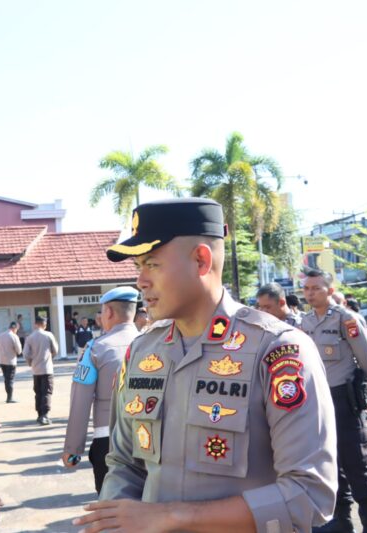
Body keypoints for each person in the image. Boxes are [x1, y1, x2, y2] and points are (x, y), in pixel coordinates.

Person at [76, 198, 337, 533]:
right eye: (137, 267)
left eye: (152, 264)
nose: (140, 280)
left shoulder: (277, 350)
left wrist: (171, 517)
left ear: (201, 260)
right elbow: (125, 463)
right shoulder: (142, 351)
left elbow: (309, 494)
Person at [300, 269, 367, 533]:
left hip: (344, 400)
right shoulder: (305, 322)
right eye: (307, 289)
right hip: (318, 402)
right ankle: (342, 519)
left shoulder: (346, 320)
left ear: (330, 291)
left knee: (356, 463)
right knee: (330, 463)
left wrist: (362, 392)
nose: (310, 294)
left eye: (316, 288)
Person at [62, 286, 140, 494]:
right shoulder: (155, 345)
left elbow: (80, 401)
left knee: (110, 510)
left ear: (109, 312)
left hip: (108, 441)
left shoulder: (96, 349)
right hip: (149, 441)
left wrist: (73, 449)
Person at [23, 316, 59, 425]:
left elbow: (25, 354)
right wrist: (50, 357)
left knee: (38, 392)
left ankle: (39, 414)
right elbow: (55, 350)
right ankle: (45, 415)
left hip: (36, 370)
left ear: (35, 324)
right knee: (46, 392)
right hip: (47, 369)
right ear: (45, 324)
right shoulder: (48, 335)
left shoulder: (30, 337)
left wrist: (31, 363)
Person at [0, 322, 23, 403]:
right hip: (11, 361)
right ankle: (10, 397)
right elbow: (19, 350)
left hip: (2, 360)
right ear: (15, 328)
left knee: (6, 379)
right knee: (10, 379)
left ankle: (8, 396)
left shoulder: (1, 335)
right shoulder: (14, 336)